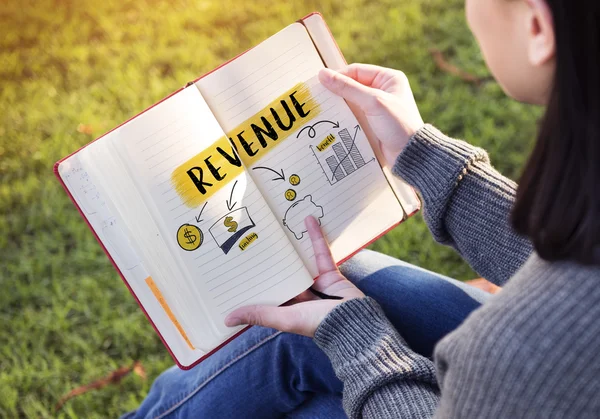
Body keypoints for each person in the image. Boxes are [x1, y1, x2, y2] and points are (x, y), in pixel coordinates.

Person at [125, 0, 599, 417]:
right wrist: (426, 157)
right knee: (338, 287)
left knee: (303, 344)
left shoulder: (520, 347)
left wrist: (358, 339)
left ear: (537, 27)